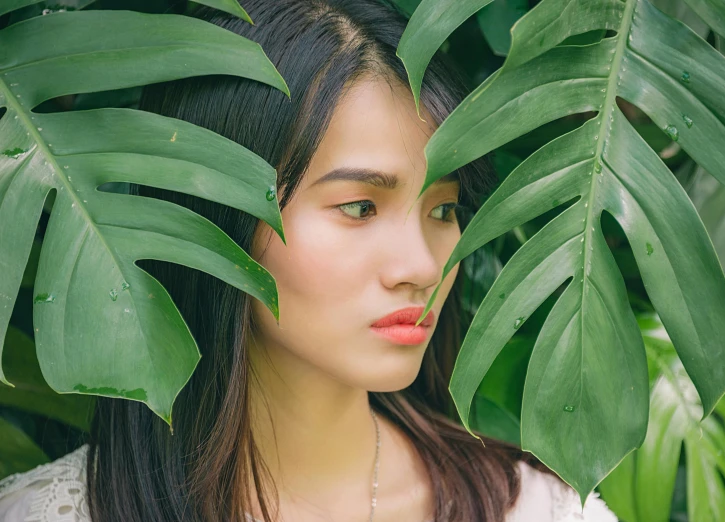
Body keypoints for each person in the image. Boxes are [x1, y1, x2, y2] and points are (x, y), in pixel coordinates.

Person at [0, 0, 618, 520]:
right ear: (218, 214)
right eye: (358, 208)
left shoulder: (535, 509)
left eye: (443, 210)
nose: (423, 267)